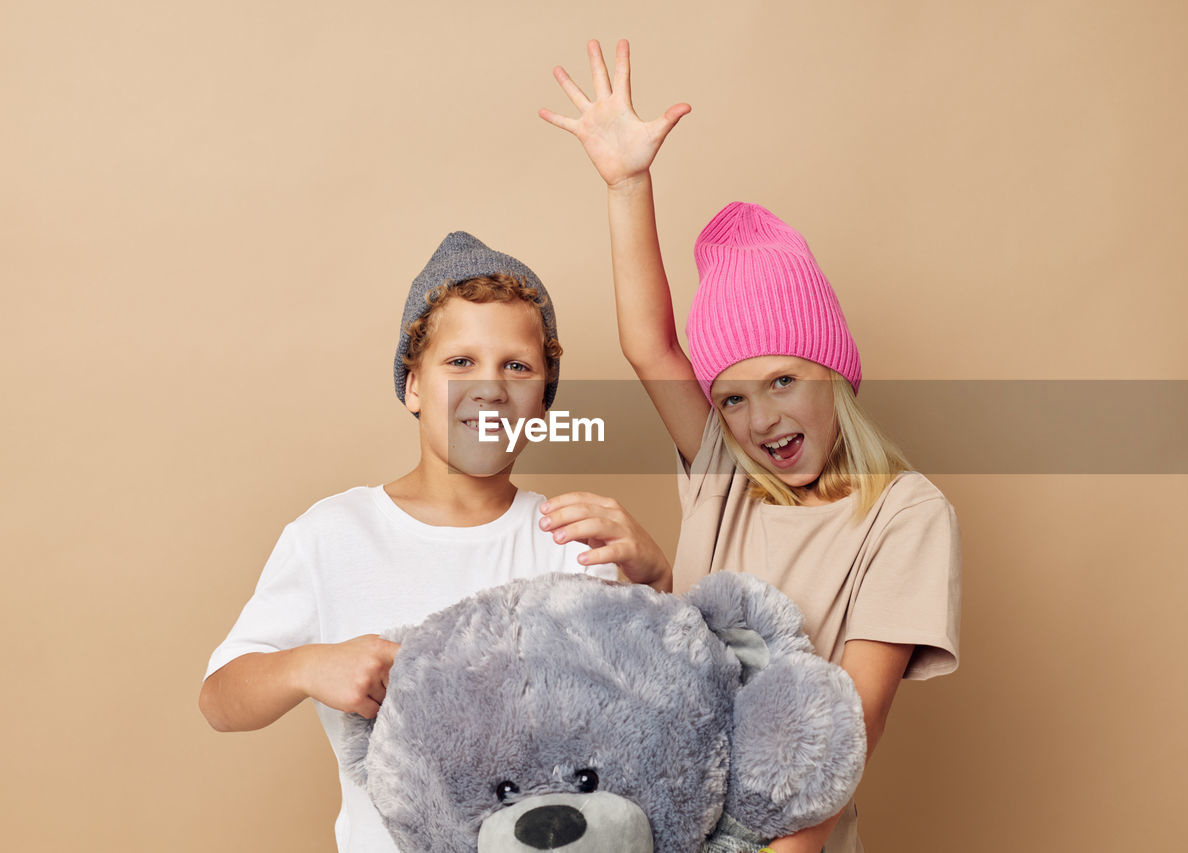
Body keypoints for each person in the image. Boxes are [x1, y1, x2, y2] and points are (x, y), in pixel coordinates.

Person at [539, 40, 961, 853]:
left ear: (834, 372)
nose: (761, 419)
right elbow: (650, 347)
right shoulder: (724, 474)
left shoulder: (905, 515)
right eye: (730, 397)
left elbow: (840, 742)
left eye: (782, 381)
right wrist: (628, 184)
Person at [198, 231, 672, 853]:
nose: (491, 388)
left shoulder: (573, 541)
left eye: (518, 367)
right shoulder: (333, 535)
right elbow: (220, 700)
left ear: (544, 400)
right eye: (460, 362)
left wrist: (656, 580)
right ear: (414, 386)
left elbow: (656, 723)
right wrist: (305, 666)